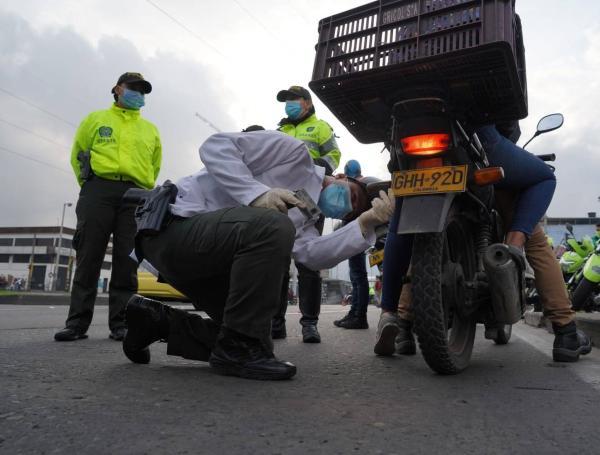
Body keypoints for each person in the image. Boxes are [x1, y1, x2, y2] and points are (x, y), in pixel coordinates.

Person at [123, 129, 393, 380]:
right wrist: (256, 194)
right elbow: (216, 146)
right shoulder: (294, 154)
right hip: (175, 227)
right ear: (343, 177)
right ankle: (238, 348)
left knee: (252, 338)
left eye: (349, 213)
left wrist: (365, 223)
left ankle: (154, 322)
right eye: (354, 197)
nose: (346, 207)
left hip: (207, 262)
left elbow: (311, 256)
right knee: (274, 224)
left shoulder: (308, 219)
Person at [374, 124, 592, 362]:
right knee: (542, 188)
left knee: (415, 231)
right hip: (474, 141)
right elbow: (509, 122)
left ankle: (402, 324)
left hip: (406, 148)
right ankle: (565, 330)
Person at [54, 72, 162, 342]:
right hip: (98, 189)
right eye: (134, 88)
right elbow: (78, 153)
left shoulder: (150, 129)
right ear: (117, 89)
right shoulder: (96, 119)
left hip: (136, 194)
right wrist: (89, 185)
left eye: (143, 90)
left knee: (127, 260)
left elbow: (155, 165)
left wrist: (145, 188)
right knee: (89, 256)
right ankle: (77, 323)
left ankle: (122, 324)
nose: (139, 94)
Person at [273, 85, 342, 343]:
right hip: (281, 198)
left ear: (307, 103)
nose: (289, 103)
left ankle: (309, 324)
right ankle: (276, 322)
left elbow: (334, 155)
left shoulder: (321, 127)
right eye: (286, 100)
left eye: (293, 99)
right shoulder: (280, 130)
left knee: (308, 263)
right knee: (277, 263)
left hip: (309, 198)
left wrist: (318, 168)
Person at [334, 160, 372, 330]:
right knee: (356, 275)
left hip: (356, 233)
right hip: (358, 233)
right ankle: (354, 313)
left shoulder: (357, 185)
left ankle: (359, 316)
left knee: (358, 276)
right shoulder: (365, 182)